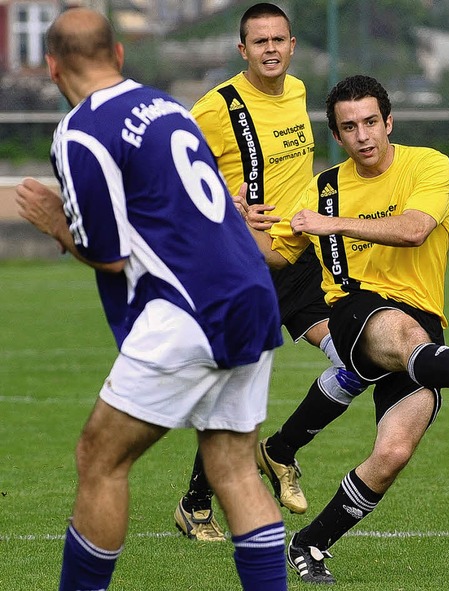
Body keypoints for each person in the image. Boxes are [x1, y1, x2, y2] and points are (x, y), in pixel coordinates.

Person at [14, 8, 287, 591]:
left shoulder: (81, 129)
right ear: (117, 55)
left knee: (100, 457)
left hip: (189, 309)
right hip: (251, 292)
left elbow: (108, 253)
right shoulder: (166, 106)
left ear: (52, 65)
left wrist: (56, 225)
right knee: (234, 467)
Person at [239, 74, 449, 584]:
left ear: (389, 122)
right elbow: (278, 255)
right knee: (397, 328)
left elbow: (415, 229)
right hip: (355, 310)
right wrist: (232, 222)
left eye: (371, 121)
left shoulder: (429, 164)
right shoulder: (324, 187)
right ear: (338, 137)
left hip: (424, 321)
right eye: (349, 127)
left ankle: (310, 544)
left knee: (392, 453)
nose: (363, 135)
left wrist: (336, 225)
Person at [173, 2, 367, 542]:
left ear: (292, 44)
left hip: (302, 259)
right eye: (260, 42)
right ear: (242, 50)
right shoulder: (217, 107)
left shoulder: (302, 91)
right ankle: (195, 506)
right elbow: (175, 170)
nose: (271, 49)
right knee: (235, 391)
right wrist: (228, 205)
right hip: (247, 264)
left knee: (355, 357)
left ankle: (281, 451)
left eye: (279, 39)